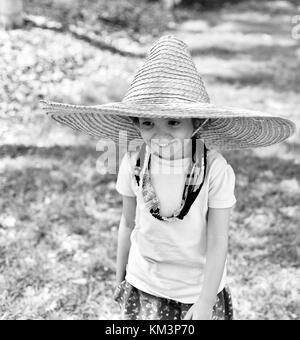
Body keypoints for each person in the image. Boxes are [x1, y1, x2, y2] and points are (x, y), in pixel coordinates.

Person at [41, 35, 296, 320]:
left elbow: (217, 239)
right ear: (136, 124)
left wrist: (205, 301)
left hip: (196, 290)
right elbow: (128, 222)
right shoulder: (133, 162)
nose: (159, 134)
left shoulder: (214, 170)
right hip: (144, 284)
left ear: (196, 123)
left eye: (173, 122)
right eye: (148, 123)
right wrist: (120, 276)